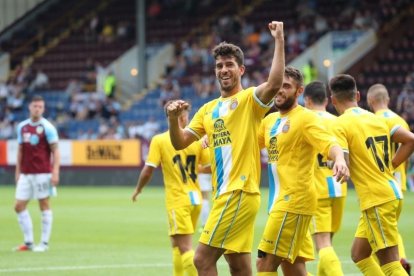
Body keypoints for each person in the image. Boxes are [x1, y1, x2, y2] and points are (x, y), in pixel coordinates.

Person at [167, 21, 285, 276]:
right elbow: (179, 142)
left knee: (201, 260)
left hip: (238, 192)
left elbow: (274, 84)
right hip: (226, 194)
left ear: (241, 69)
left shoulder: (248, 100)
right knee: (239, 266)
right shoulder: (207, 109)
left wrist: (279, 40)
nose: (224, 69)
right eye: (219, 65)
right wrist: (172, 120)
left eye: (229, 64)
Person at [256, 67, 349, 276]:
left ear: (299, 92)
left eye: (286, 86)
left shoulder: (306, 118)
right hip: (281, 202)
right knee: (294, 268)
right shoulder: (270, 121)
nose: (280, 90)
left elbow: (329, 143)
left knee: (264, 264)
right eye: (278, 85)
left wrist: (340, 158)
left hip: (293, 202)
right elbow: (249, 144)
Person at [329, 74, 414, 275]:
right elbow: (410, 140)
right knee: (359, 254)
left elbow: (343, 160)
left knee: (390, 263)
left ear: (333, 100)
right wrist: (390, 165)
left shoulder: (340, 124)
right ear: (358, 95)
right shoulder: (376, 119)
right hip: (389, 191)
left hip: (377, 199)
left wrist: (336, 161)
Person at [131, 102, 210, 276]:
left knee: (184, 247)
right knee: (176, 244)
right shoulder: (196, 140)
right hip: (195, 198)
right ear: (184, 117)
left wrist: (138, 189)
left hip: (178, 199)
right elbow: (209, 167)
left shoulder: (160, 140)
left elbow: (148, 169)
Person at [366, 83, 412, 274]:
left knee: (377, 241)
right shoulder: (401, 120)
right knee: (391, 229)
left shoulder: (370, 121)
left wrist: (385, 168)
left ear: (370, 101)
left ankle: (397, 263)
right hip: (398, 184)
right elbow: (407, 152)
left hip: (378, 185)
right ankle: (400, 260)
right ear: (388, 100)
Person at [303, 81, 346, 275]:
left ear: (307, 100)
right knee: (327, 244)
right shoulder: (337, 121)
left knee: (323, 244)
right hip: (339, 187)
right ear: (327, 100)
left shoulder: (305, 120)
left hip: (317, 189)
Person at [14, 95, 60, 252]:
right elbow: (20, 150)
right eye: (35, 106)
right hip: (26, 174)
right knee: (19, 206)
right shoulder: (22, 127)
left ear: (43, 108)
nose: (37, 109)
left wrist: (55, 172)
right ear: (29, 107)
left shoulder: (48, 127)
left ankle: (44, 243)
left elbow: (56, 151)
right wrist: (17, 171)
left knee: (44, 205)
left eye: (40, 106)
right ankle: (28, 243)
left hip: (42, 173)